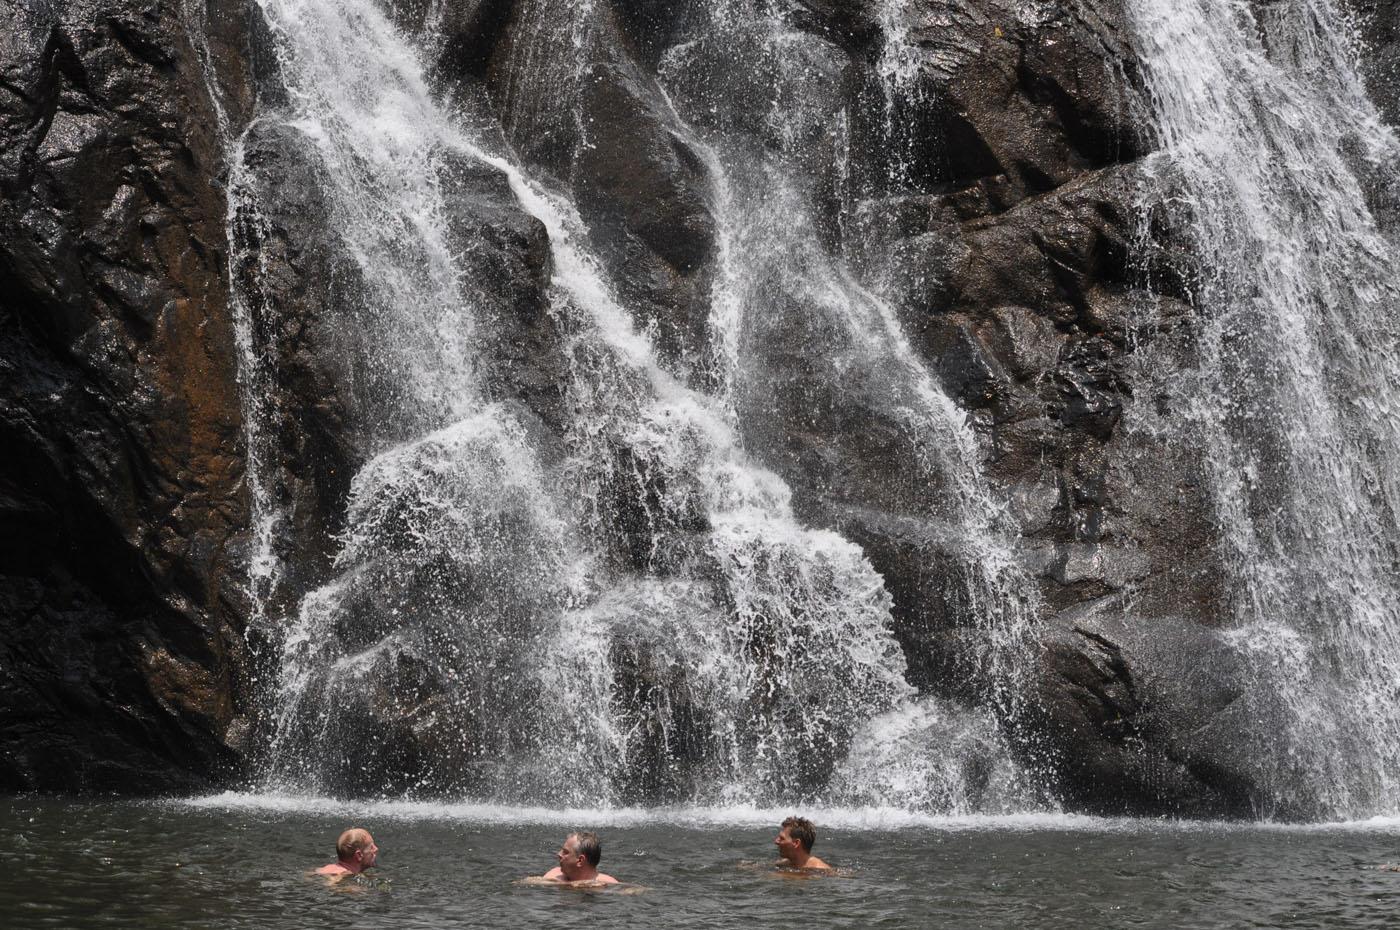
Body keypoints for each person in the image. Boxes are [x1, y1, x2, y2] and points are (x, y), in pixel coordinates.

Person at [542, 831, 618, 885]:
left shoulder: (608, 884)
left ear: (580, 860)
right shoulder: (554, 874)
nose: (558, 854)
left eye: (565, 852)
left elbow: (627, 891)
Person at [315, 827, 379, 879]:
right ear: (359, 855)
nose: (376, 849)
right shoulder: (346, 874)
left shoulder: (326, 868)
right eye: (371, 847)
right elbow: (334, 884)